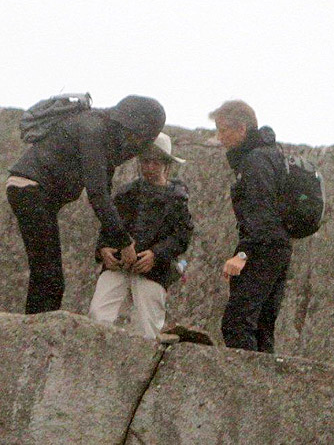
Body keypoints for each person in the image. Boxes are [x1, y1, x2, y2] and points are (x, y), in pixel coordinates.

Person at [7, 95, 166, 314]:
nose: (137, 145)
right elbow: (98, 194)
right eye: (140, 138)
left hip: (35, 192)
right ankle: (35, 335)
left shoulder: (104, 132)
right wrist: (123, 241)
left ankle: (35, 330)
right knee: (49, 278)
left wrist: (109, 242)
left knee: (47, 276)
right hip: (30, 190)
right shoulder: (94, 130)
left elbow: (105, 193)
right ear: (132, 127)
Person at [88, 133, 193, 339]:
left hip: (153, 270)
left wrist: (155, 254)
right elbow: (109, 227)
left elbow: (182, 236)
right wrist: (103, 250)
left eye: (155, 162)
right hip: (118, 265)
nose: (150, 167)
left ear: (166, 165)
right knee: (97, 316)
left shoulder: (177, 199)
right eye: (145, 161)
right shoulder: (126, 193)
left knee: (148, 329)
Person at [209, 100, 291, 353]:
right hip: (279, 247)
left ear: (242, 129)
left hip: (262, 249)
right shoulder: (271, 154)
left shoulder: (255, 161)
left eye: (224, 130)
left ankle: (248, 389)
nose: (220, 137)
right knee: (262, 326)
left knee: (236, 323)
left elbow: (259, 213)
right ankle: (267, 388)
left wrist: (243, 254)